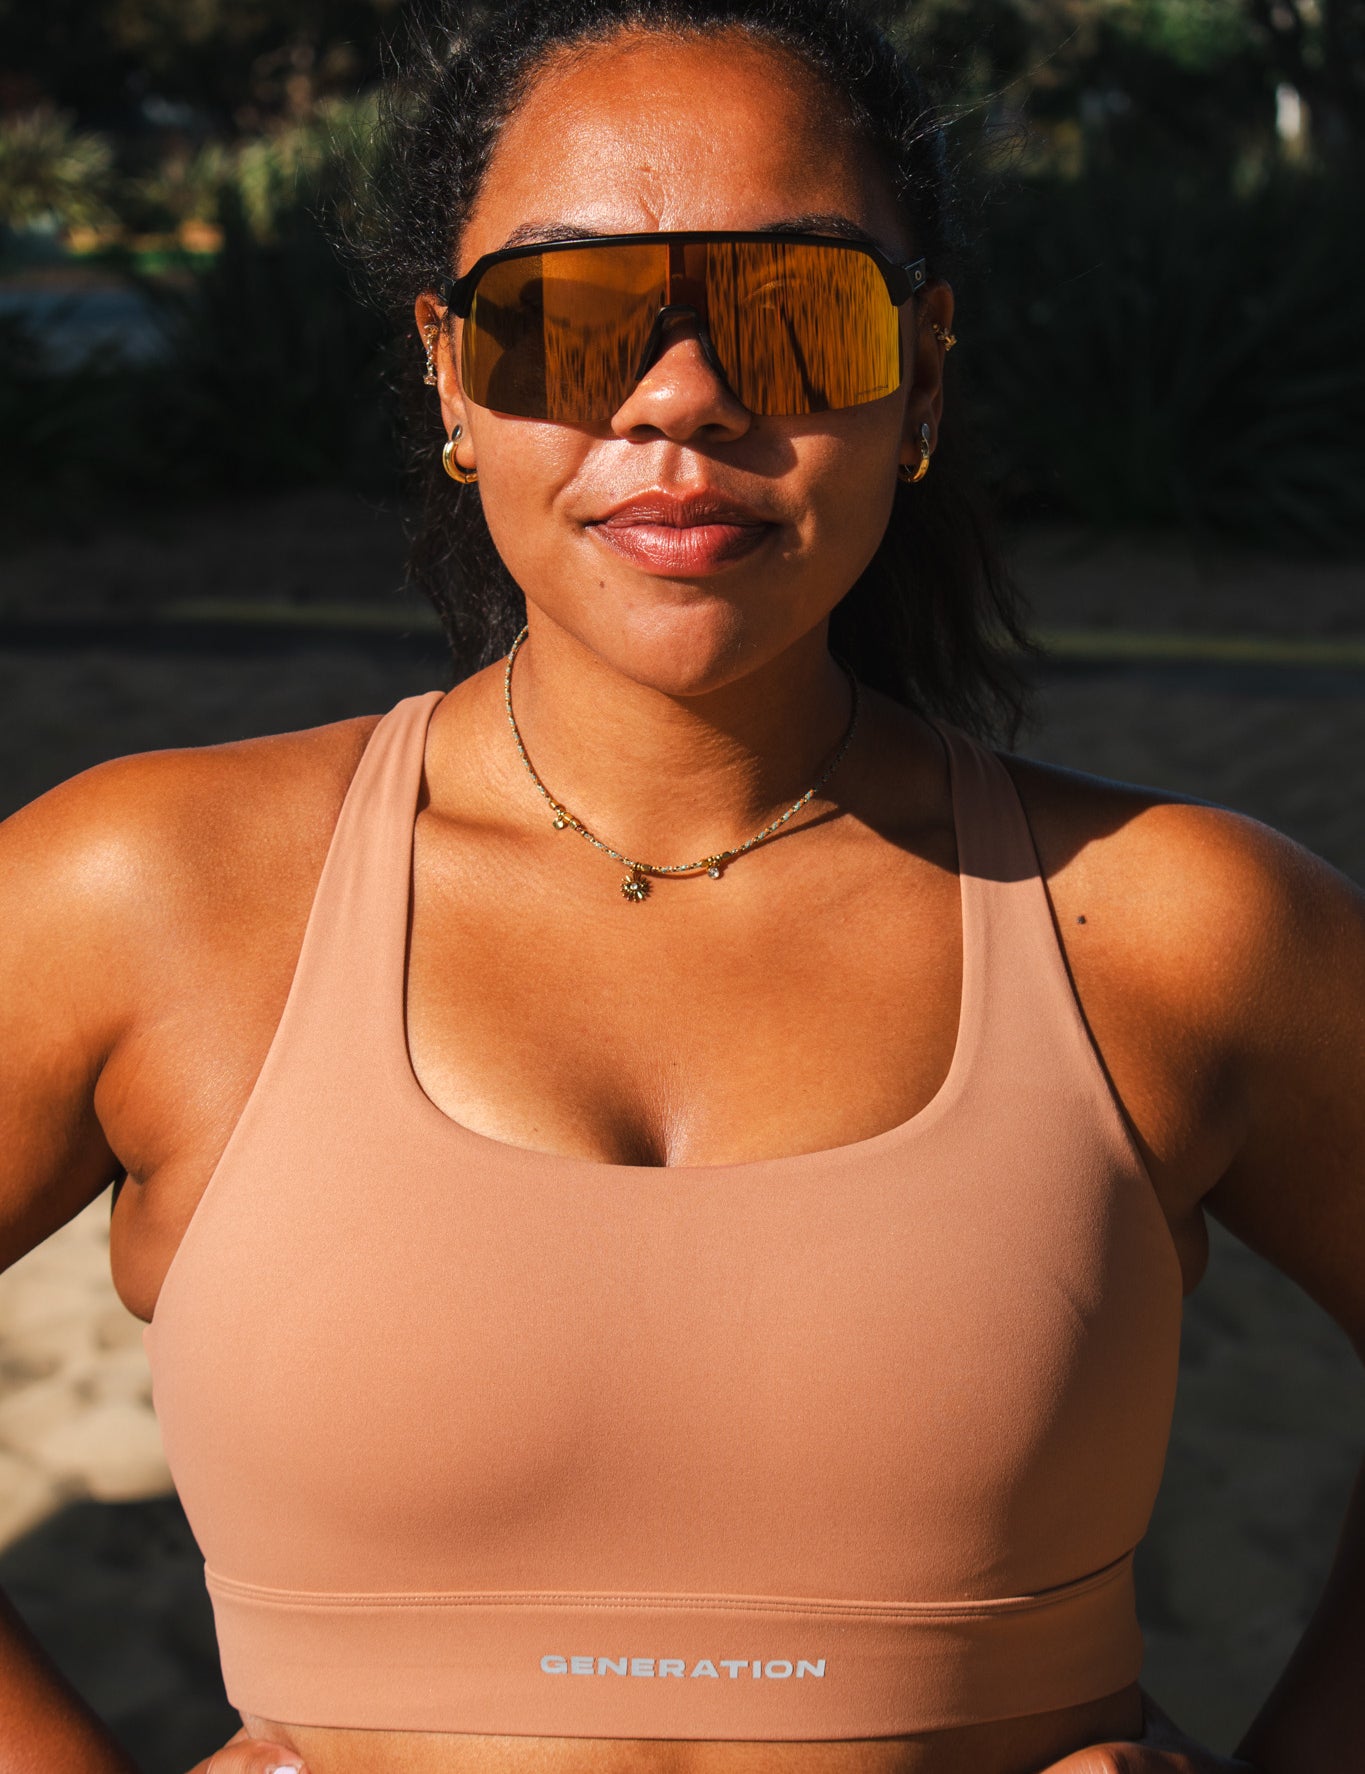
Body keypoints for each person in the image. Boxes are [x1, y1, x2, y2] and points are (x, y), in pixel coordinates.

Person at [1, 2, 1361, 1772]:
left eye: (797, 309)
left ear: (921, 372)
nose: (680, 397)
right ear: (449, 376)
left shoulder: (1179, 926)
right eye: (566, 316)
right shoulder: (148, 896)